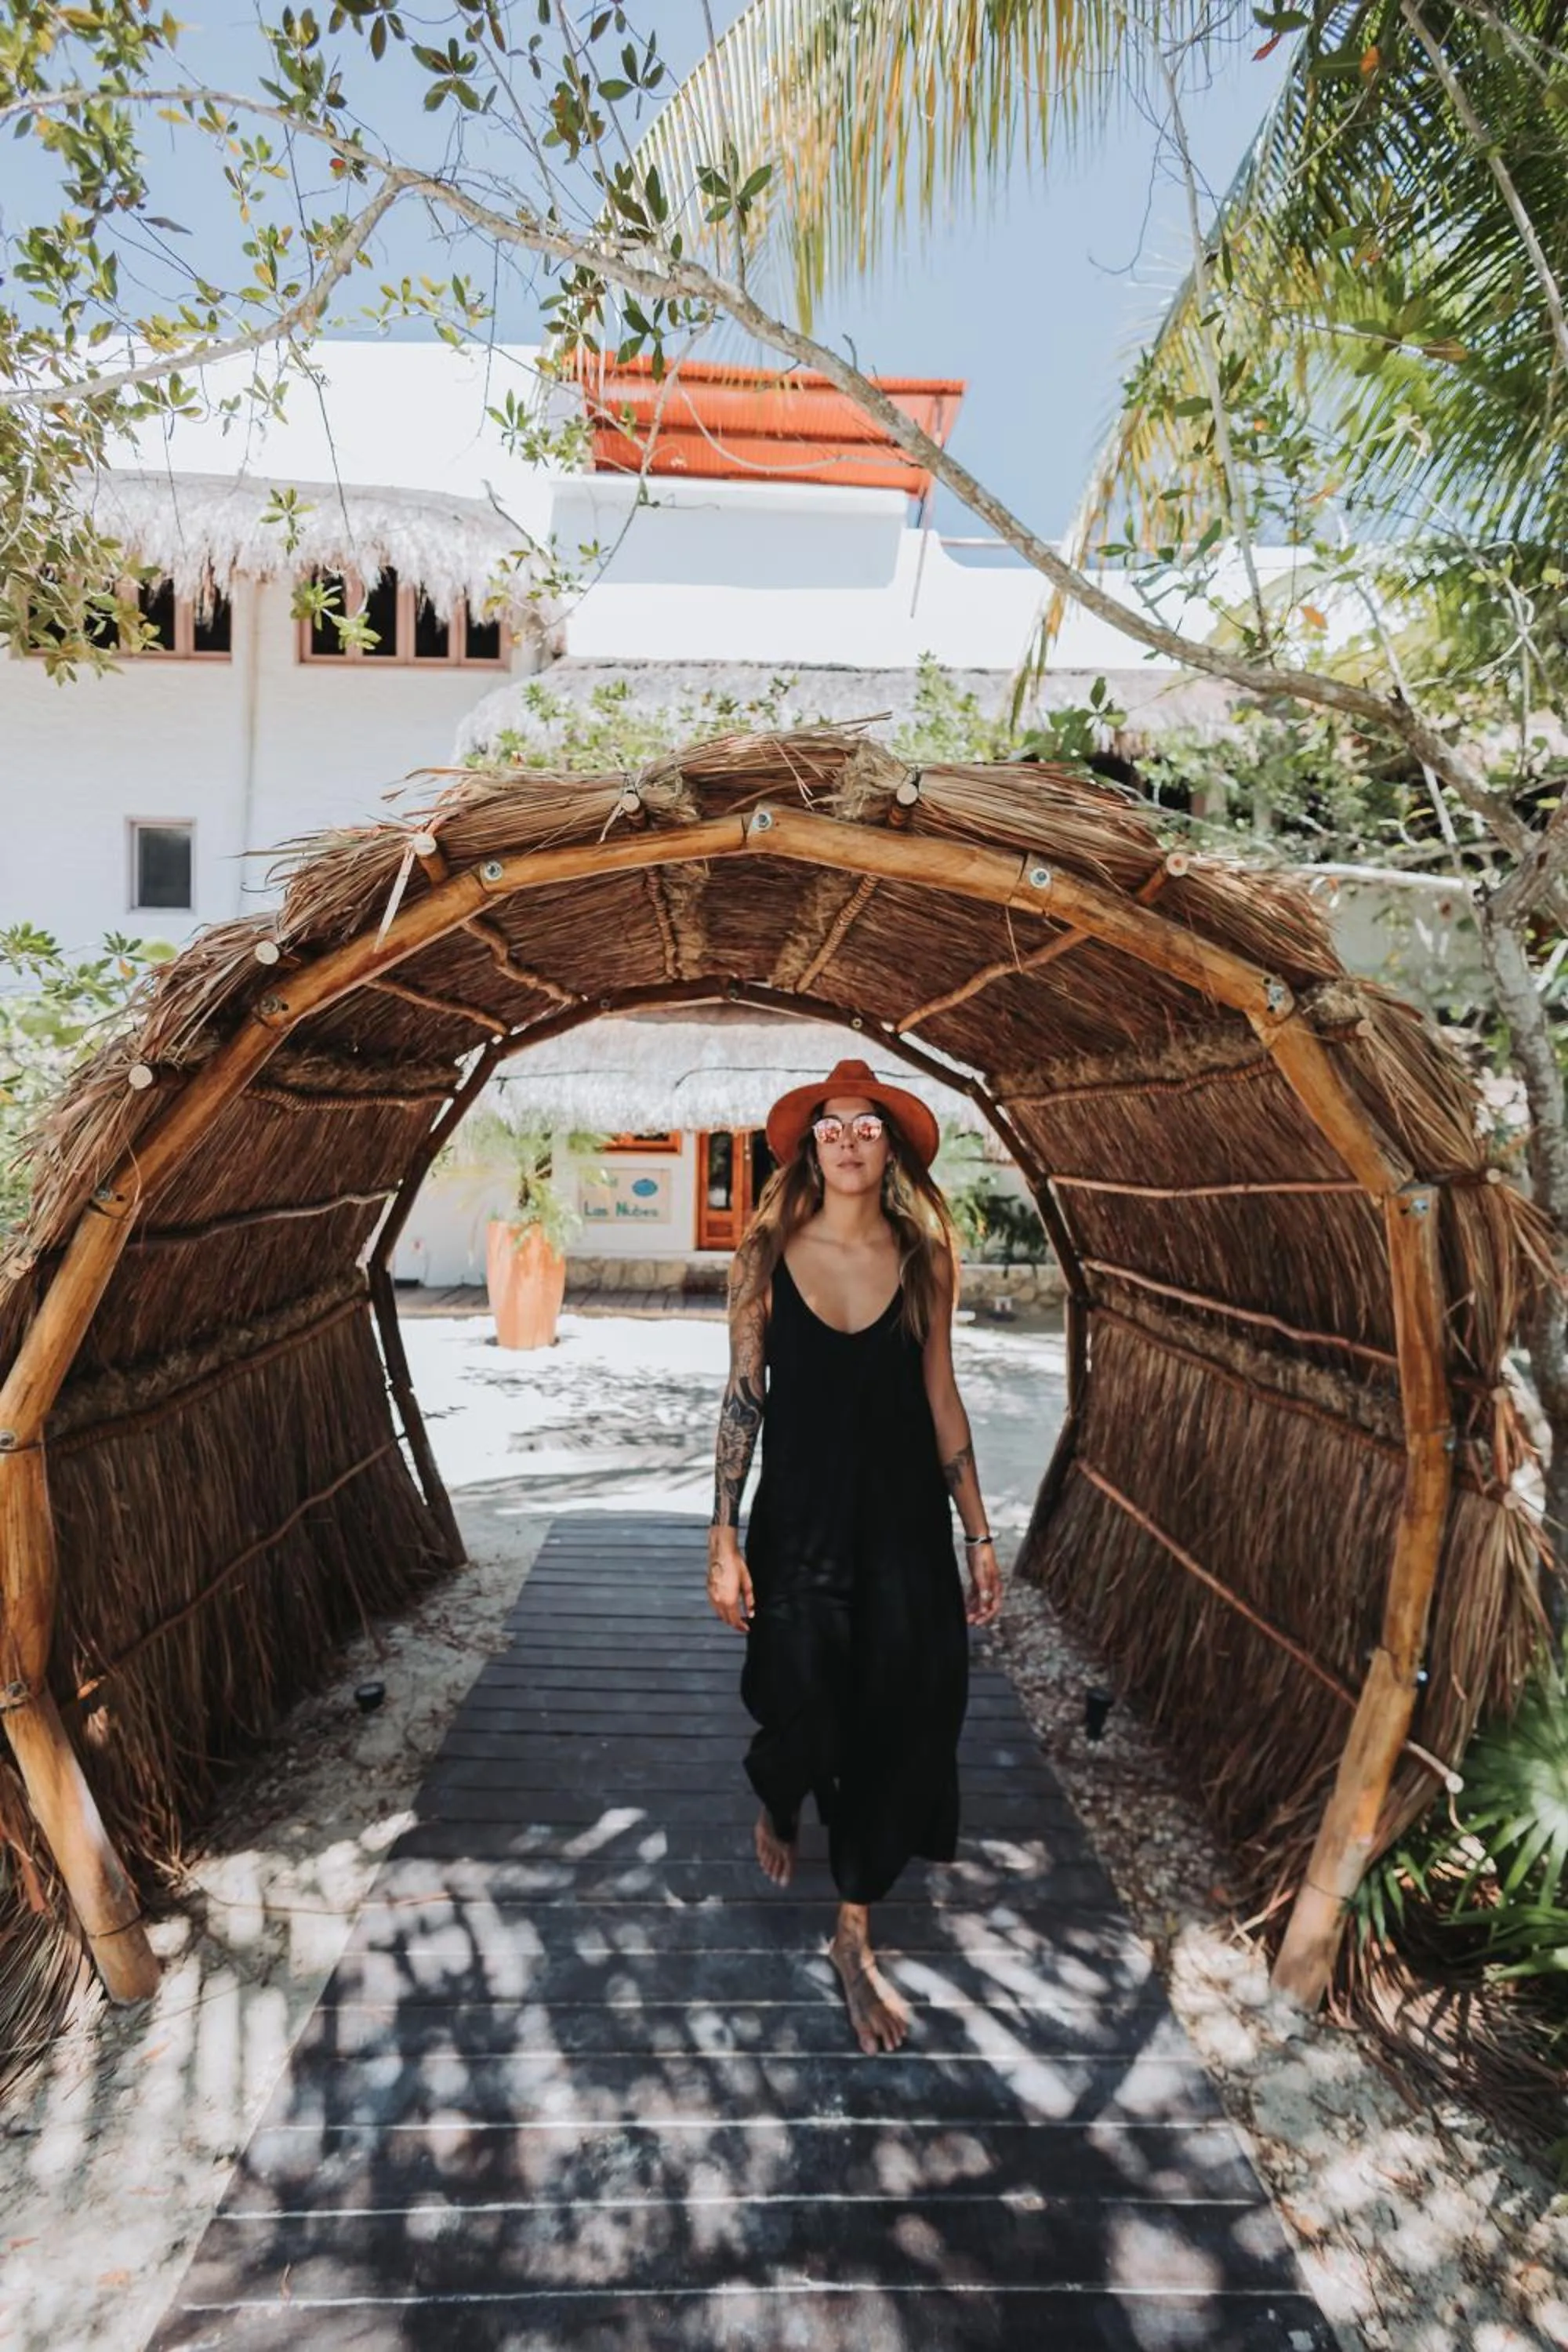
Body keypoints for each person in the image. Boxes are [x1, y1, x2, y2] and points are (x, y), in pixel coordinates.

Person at [706, 1056, 1003, 2056]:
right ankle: (781, 1798)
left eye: (864, 1124)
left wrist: (978, 1532)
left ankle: (853, 1933)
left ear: (891, 1146)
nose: (845, 1138)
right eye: (828, 1125)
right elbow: (743, 1396)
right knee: (800, 1699)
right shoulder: (761, 1255)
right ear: (806, 1145)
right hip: (799, 1533)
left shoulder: (926, 1257)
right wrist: (722, 1533)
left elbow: (940, 1395)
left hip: (902, 1535)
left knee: (908, 1709)